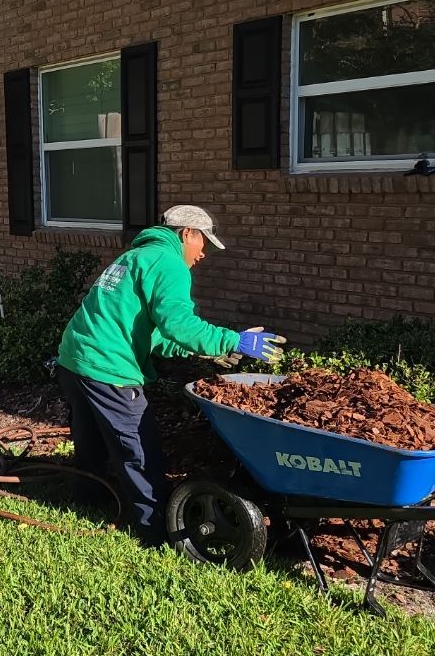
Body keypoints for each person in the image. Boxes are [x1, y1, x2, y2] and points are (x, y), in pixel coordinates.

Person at [56, 205, 284, 546]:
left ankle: (89, 497)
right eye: (203, 242)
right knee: (138, 448)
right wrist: (233, 339)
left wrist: (208, 350)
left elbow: (155, 332)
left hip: (75, 359)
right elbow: (180, 324)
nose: (204, 252)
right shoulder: (168, 263)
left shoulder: (138, 256)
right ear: (186, 233)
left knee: (89, 438)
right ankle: (157, 529)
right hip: (108, 366)